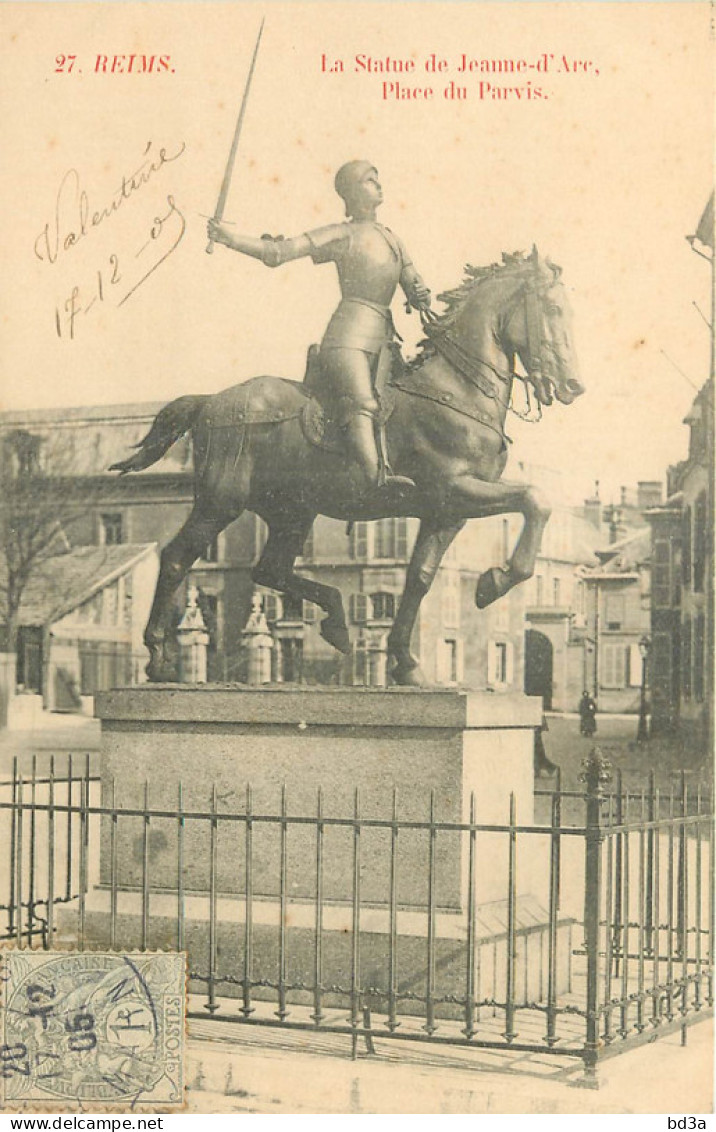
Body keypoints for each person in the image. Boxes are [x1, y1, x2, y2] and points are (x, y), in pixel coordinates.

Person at [207, 159, 432, 493]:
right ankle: (375, 482)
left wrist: (420, 292)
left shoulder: (392, 238)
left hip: (384, 341)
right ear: (352, 192)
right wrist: (231, 239)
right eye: (371, 180)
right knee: (362, 404)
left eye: (378, 179)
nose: (380, 186)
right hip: (348, 339)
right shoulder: (341, 234)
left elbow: (412, 281)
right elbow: (278, 252)